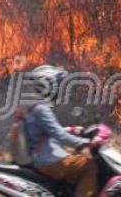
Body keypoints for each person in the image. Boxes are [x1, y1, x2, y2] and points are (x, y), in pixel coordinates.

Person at [25, 65, 98, 197]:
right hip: (49, 162)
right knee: (89, 165)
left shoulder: (35, 106)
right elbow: (59, 135)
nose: (58, 89)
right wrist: (85, 142)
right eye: (57, 86)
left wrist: (71, 129)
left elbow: (48, 131)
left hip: (41, 159)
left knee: (75, 162)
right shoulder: (42, 108)